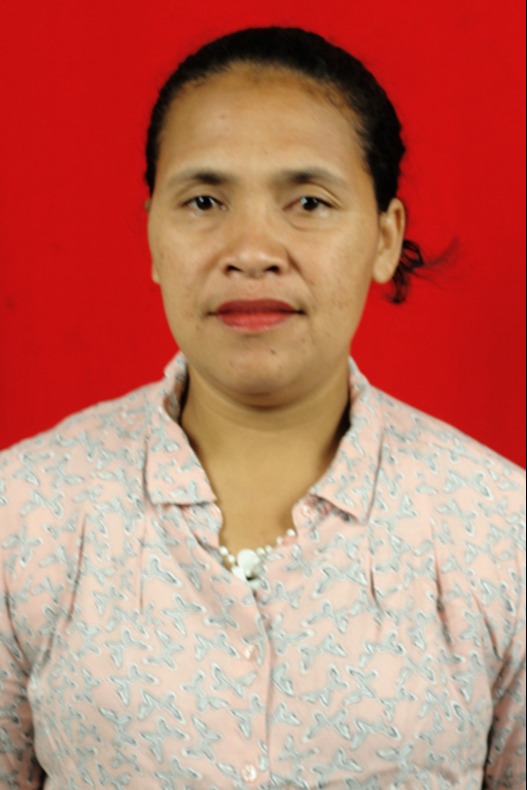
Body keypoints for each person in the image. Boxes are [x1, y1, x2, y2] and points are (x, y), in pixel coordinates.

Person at [0, 26, 524, 790]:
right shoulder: (26, 513)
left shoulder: (500, 530)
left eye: (308, 201)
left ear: (384, 237)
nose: (250, 250)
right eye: (203, 201)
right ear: (152, 233)